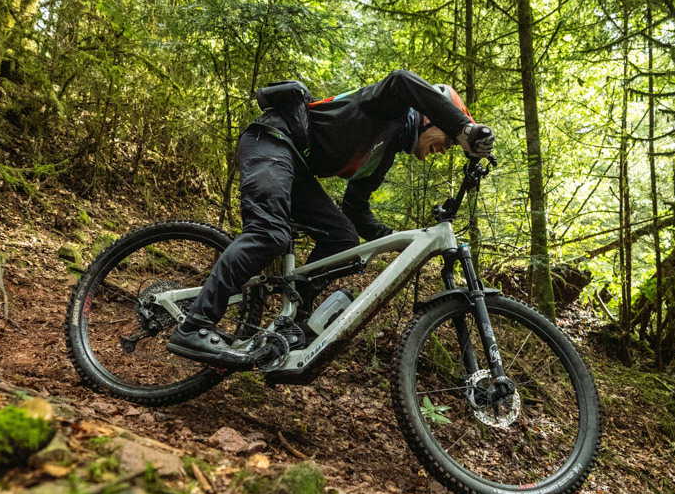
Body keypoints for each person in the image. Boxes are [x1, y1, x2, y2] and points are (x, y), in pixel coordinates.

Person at [167, 69, 495, 366]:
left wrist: (402, 241)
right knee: (270, 234)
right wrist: (463, 128)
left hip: (294, 168)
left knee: (342, 237)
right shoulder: (387, 107)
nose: (449, 147)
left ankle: (293, 321)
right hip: (270, 141)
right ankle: (195, 324)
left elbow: (356, 209)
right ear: (428, 117)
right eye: (448, 139)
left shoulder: (384, 155)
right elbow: (400, 80)